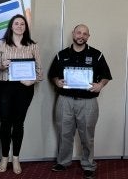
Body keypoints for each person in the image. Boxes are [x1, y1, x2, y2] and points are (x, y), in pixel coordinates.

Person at [48, 24, 112, 179]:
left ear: (88, 37)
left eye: (85, 34)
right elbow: (53, 75)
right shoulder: (61, 55)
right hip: (65, 101)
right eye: (79, 32)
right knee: (64, 133)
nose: (81, 36)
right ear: (73, 34)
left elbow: (106, 76)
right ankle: (63, 162)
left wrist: (100, 85)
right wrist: (57, 82)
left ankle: (88, 165)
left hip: (88, 102)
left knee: (87, 136)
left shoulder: (97, 55)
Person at [0, 14, 43, 174]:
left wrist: (32, 81)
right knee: (5, 123)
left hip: (24, 89)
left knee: (18, 124)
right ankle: (4, 157)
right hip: (4, 87)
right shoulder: (1, 44)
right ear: (11, 26)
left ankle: (16, 157)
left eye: (22, 24)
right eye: (16, 23)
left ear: (25, 27)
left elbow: (40, 72)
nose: (19, 26)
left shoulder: (33, 46)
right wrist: (2, 65)